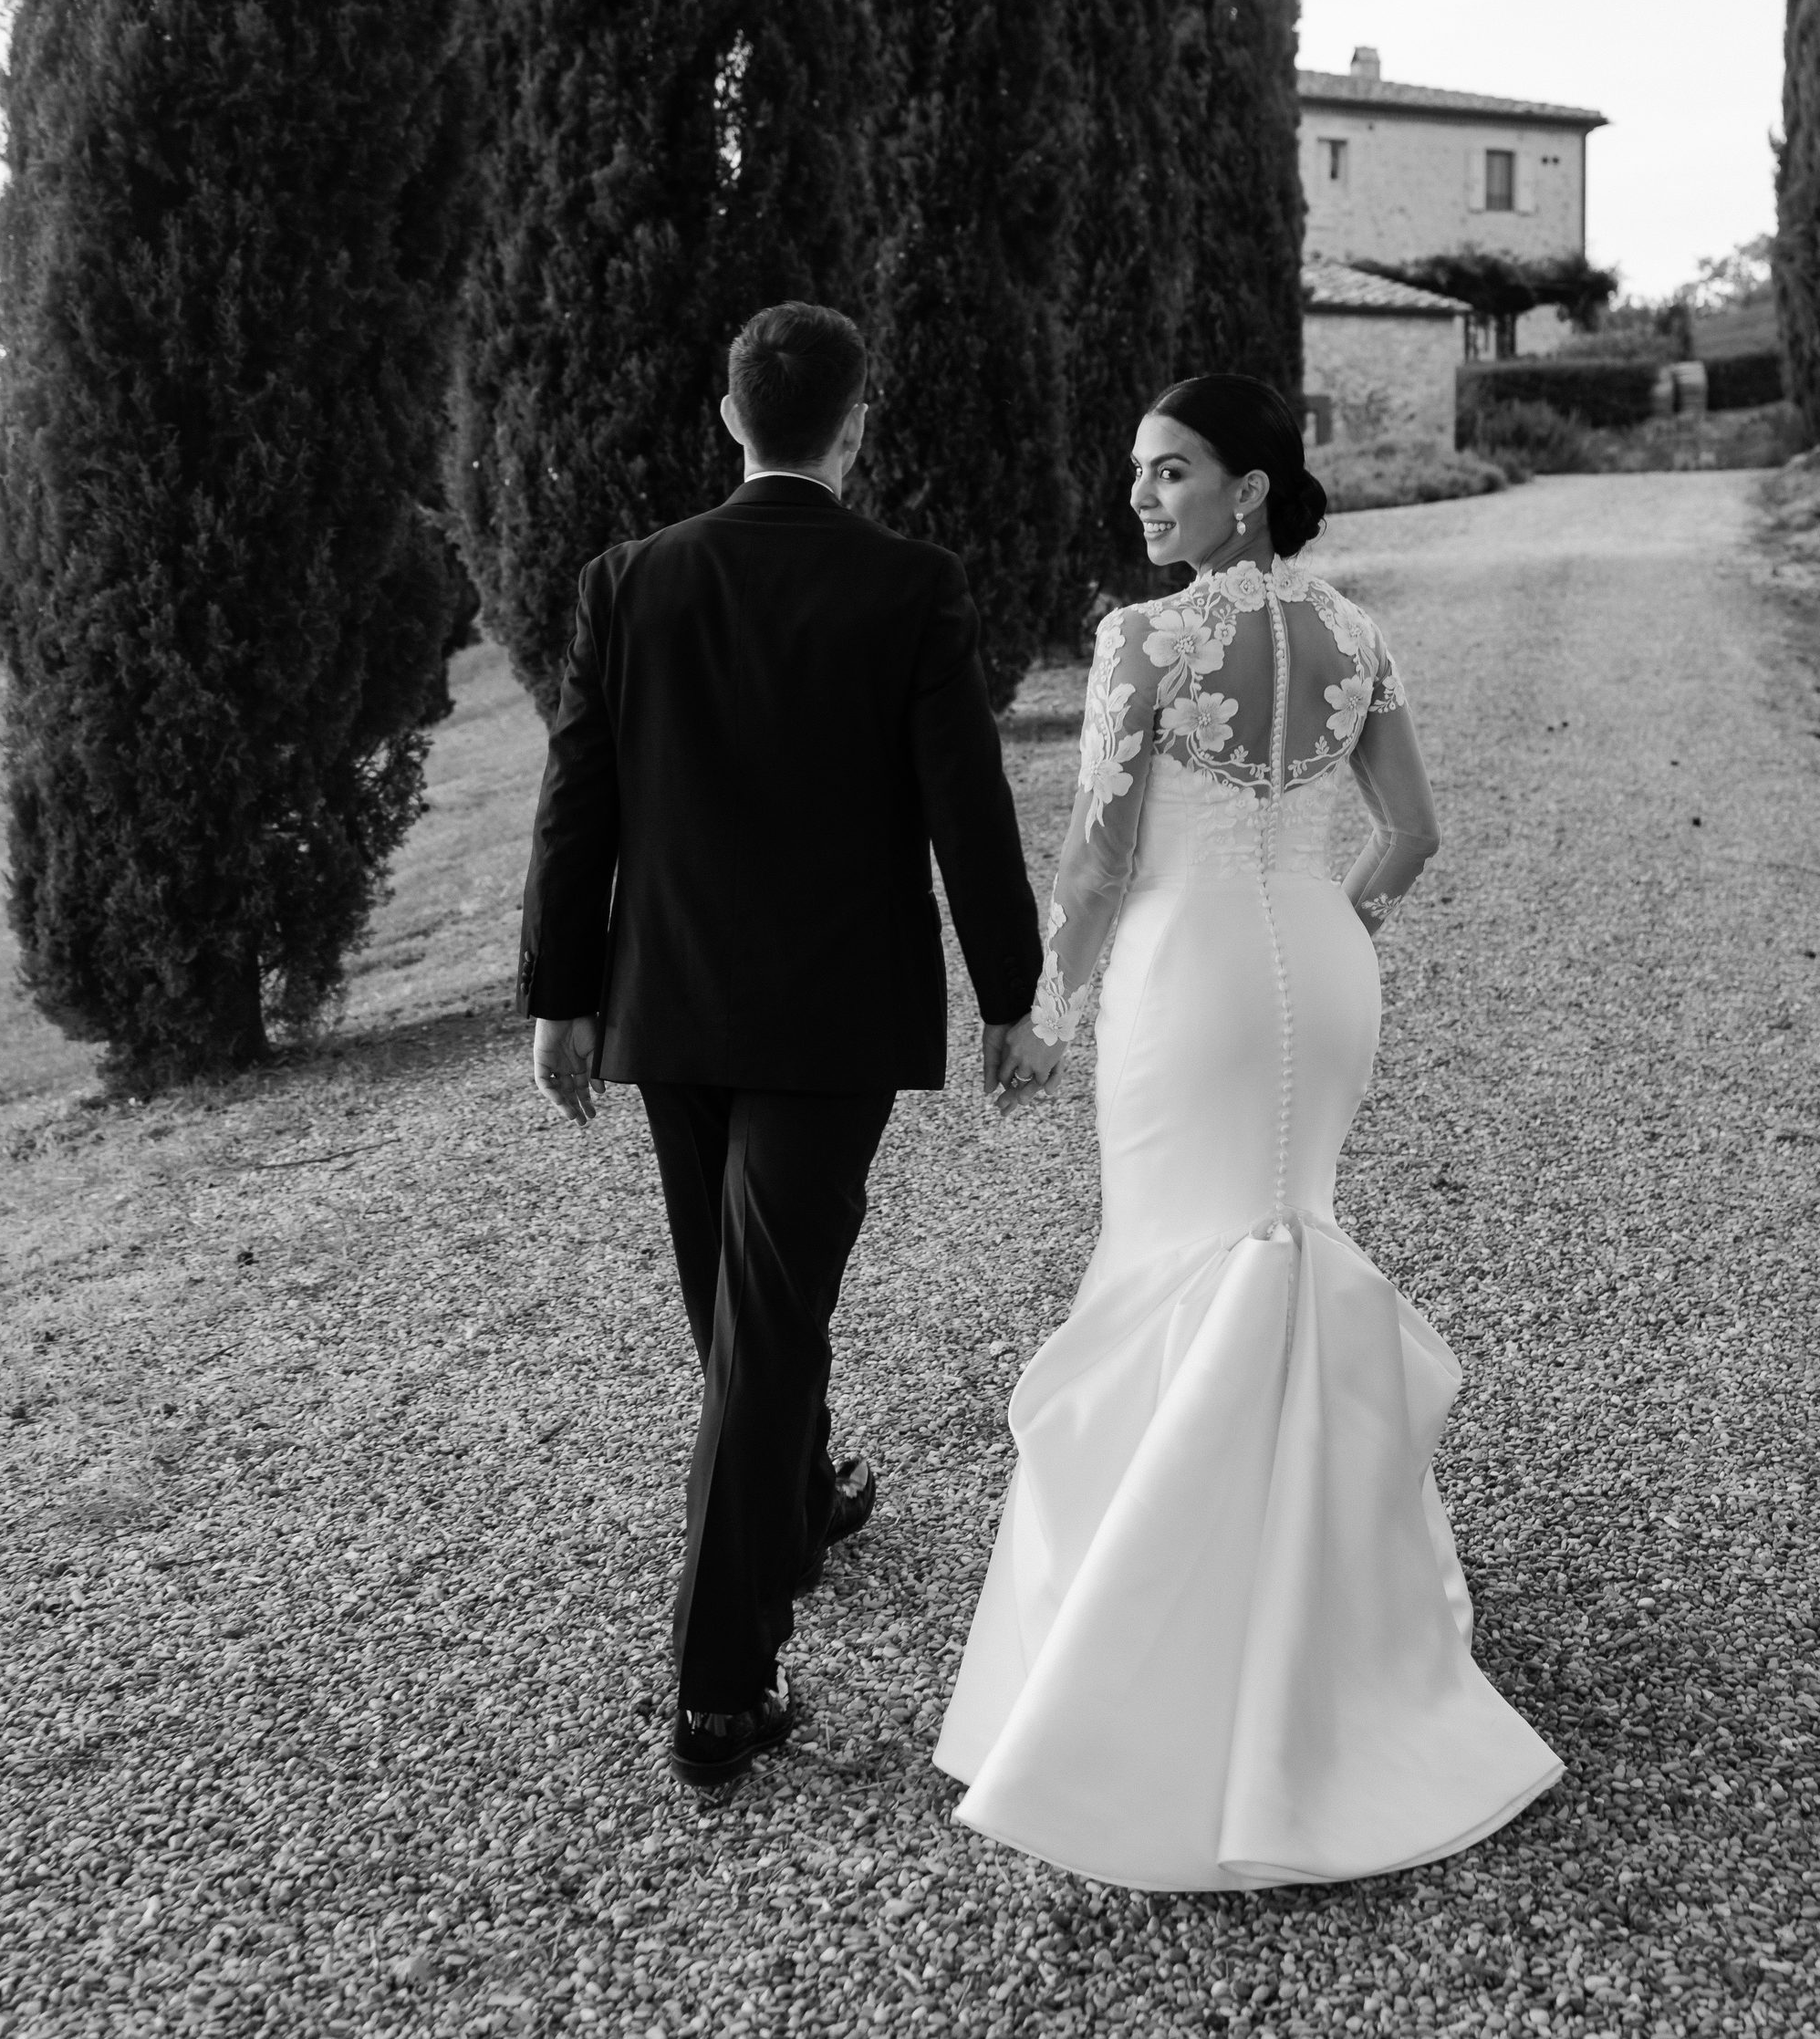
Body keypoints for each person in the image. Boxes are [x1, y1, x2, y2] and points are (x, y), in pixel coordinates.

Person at [934, 372, 1563, 1889]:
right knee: (1286, 1237)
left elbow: (1094, 866)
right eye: (1140, 476)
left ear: (1252, 488)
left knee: (1173, 1258)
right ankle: (1326, 1623)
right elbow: (1410, 832)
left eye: (1172, 474)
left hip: (1187, 980)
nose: (1144, 500)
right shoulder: (1356, 632)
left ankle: (1156, 1646)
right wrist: (1328, 916)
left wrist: (1044, 1018)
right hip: (1317, 970)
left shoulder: (1143, 640)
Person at [517, 302, 1042, 1789]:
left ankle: (800, 1499)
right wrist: (1012, 993)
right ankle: (721, 1683)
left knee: (742, 1301)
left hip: (666, 1006)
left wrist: (560, 999)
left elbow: (577, 808)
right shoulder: (911, 587)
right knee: (758, 1313)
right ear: (856, 424)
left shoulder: (630, 581)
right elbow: (967, 812)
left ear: (727, 415)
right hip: (829, 1017)